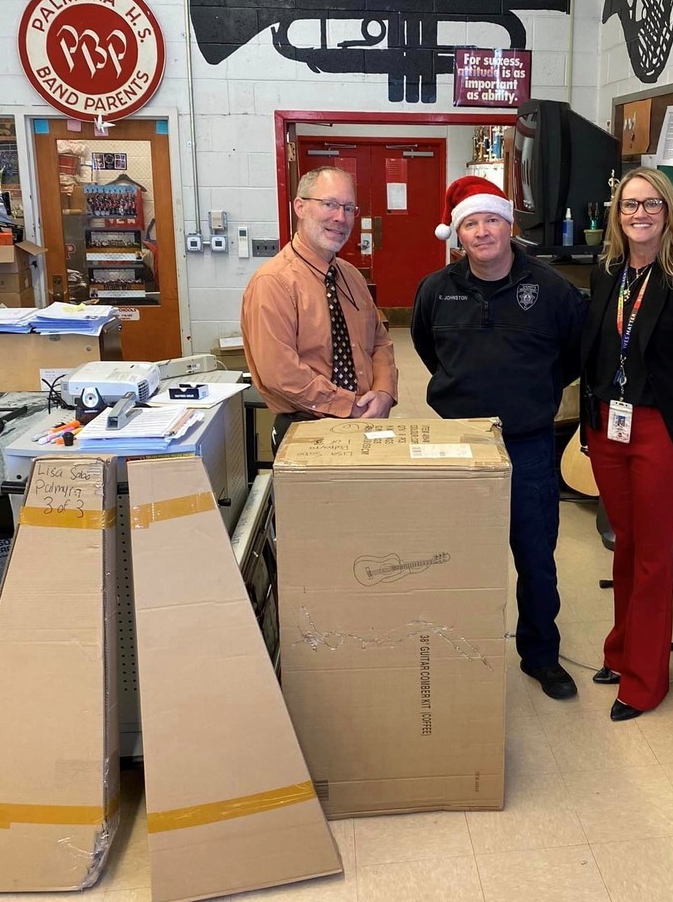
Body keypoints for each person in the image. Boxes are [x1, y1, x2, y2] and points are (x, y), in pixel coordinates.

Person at [411, 175, 588, 700]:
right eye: (471, 223)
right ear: (457, 234)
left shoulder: (552, 290)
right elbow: (427, 350)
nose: (482, 231)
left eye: (491, 219)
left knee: (536, 555)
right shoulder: (435, 290)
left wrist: (534, 393)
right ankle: (460, 646)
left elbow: (574, 355)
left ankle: (540, 655)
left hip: (529, 445)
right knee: (455, 555)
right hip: (458, 446)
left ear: (509, 226)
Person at [580, 167, 673, 722]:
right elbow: (594, 349)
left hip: (661, 432)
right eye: (629, 205)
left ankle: (644, 681)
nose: (639, 214)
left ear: (668, 212)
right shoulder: (607, 272)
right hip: (609, 427)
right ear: (618, 214)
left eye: (651, 205)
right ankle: (621, 653)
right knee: (625, 544)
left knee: (653, 554)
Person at [241, 166, 397, 451]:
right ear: (300, 207)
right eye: (329, 204)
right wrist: (347, 405)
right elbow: (280, 373)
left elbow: (380, 341)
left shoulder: (351, 277)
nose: (341, 217)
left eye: (349, 208)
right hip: (306, 429)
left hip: (364, 422)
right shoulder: (273, 282)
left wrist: (385, 391)